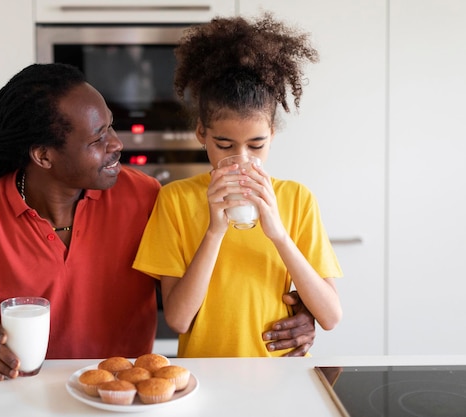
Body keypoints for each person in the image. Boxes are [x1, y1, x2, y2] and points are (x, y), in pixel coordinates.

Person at [0, 63, 318, 381]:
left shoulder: (146, 198)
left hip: (127, 393)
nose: (117, 144)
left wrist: (299, 312)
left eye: (111, 126)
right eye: (98, 138)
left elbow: (225, 277)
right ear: (43, 156)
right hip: (19, 394)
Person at [132, 14, 343, 358]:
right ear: (202, 133)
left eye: (256, 145)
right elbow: (179, 319)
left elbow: (331, 316)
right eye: (225, 145)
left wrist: (277, 233)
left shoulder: (296, 199)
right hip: (205, 378)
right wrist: (214, 230)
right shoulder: (176, 200)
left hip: (280, 376)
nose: (242, 159)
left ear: (272, 133)